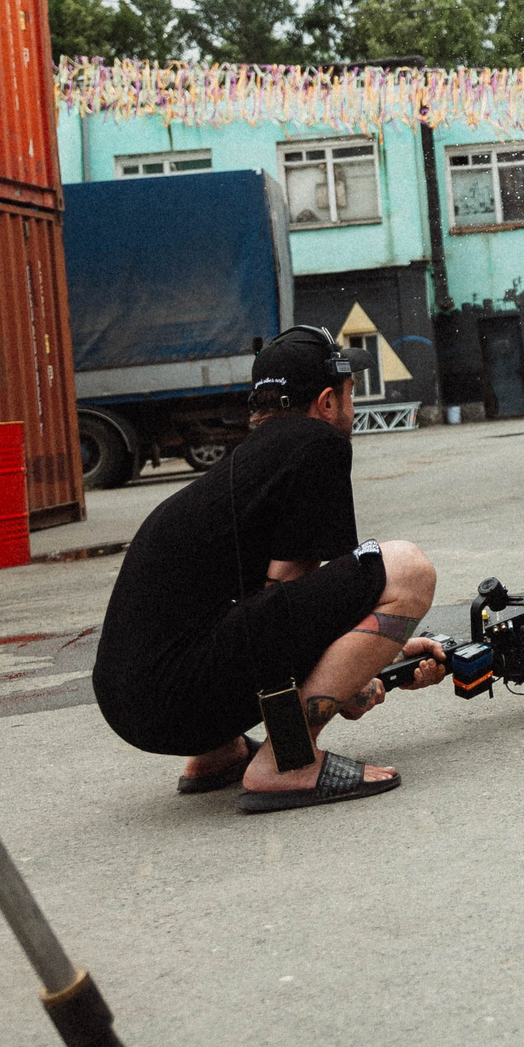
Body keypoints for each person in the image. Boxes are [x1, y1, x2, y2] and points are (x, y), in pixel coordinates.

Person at [92, 326, 448, 811]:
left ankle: (217, 757)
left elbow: (270, 607)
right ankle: (288, 760)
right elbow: (284, 604)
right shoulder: (317, 443)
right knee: (407, 570)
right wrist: (348, 684)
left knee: (215, 604)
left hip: (133, 707)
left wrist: (381, 652)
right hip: (178, 696)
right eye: (349, 393)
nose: (351, 407)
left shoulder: (247, 468)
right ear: (327, 402)